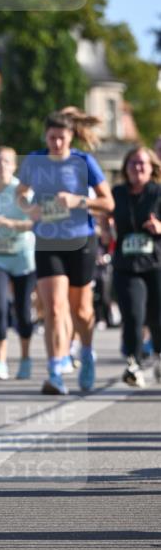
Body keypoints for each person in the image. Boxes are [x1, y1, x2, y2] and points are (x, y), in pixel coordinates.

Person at [17, 107, 114, 395]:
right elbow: (19, 193)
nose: (57, 143)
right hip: (48, 241)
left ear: (72, 137)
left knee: (82, 311)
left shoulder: (84, 162)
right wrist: (29, 207)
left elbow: (108, 203)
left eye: (62, 138)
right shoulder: (34, 161)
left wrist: (77, 201)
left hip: (81, 240)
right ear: (45, 137)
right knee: (54, 308)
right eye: (52, 138)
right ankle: (55, 370)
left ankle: (86, 354)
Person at [0, 147, 36, 380]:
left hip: (22, 256)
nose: (2, 166)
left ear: (14, 166)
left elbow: (33, 222)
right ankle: (0, 361)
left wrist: (7, 223)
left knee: (22, 311)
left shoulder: (21, 191)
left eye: (7, 162)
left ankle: (24, 358)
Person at [111, 146, 161, 387]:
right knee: (133, 314)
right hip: (127, 265)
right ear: (125, 168)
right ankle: (134, 362)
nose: (138, 168)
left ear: (152, 168)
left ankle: (159, 356)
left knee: (157, 316)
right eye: (133, 163)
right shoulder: (117, 193)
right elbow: (104, 214)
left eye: (142, 163)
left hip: (156, 264)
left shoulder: (158, 193)